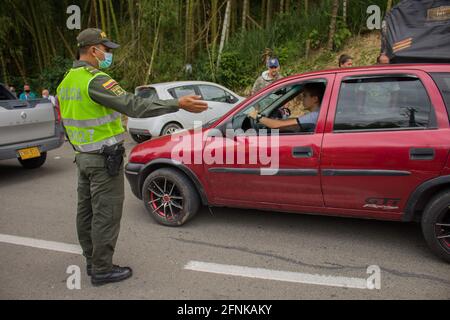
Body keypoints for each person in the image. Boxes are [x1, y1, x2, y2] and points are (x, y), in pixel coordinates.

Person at [57, 28, 208, 286]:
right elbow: (134, 105)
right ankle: (103, 269)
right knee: (106, 213)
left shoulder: (67, 81)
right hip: (104, 160)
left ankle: (92, 262)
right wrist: (177, 104)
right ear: (93, 50)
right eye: (106, 49)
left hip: (83, 157)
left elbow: (66, 122)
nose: (108, 54)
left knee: (86, 212)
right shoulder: (95, 79)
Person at [248, 83, 325, 132]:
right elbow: (296, 123)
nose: (302, 98)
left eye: (305, 96)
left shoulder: (314, 116)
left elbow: (277, 125)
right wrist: (279, 120)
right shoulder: (318, 114)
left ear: (315, 99)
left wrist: (257, 116)